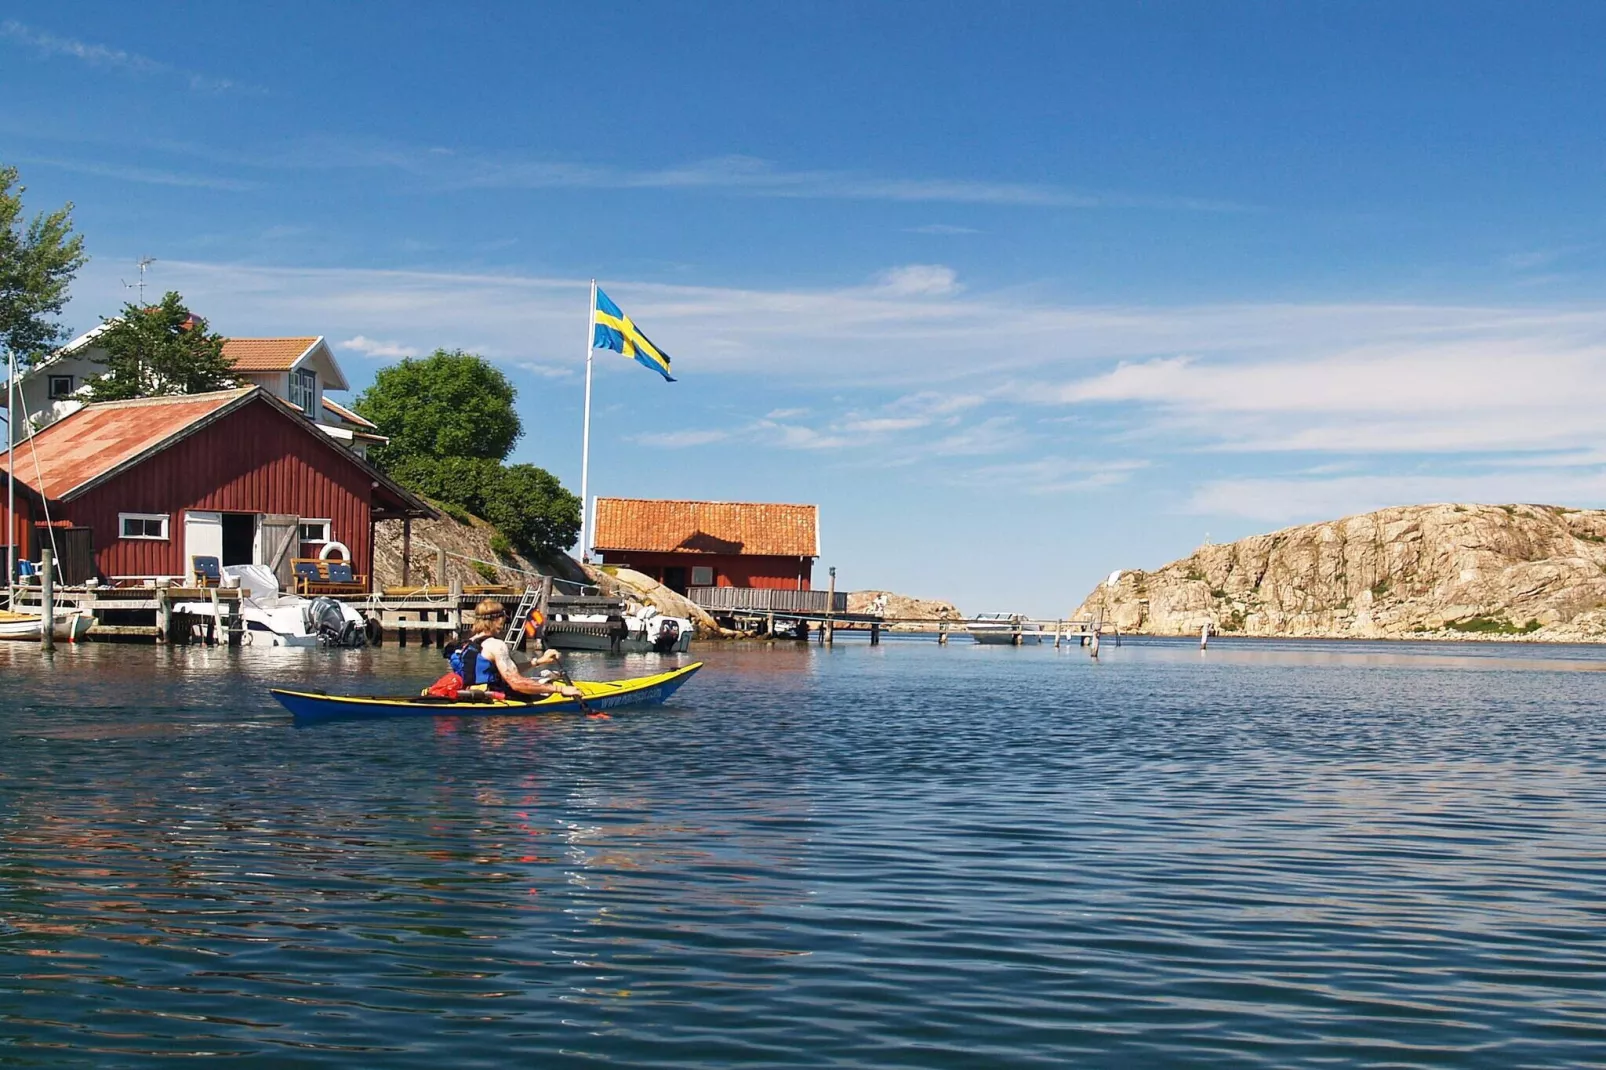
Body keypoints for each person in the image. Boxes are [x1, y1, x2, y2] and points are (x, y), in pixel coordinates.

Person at [452, 599, 581, 699]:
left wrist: (539, 661)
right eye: (502, 619)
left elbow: (501, 671)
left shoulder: (467, 643)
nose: (503, 624)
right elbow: (516, 683)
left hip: (470, 694)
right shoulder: (496, 645)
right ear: (497, 619)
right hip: (492, 706)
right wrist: (559, 689)